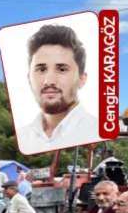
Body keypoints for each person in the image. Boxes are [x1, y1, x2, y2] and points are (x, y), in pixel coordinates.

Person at [17, 24, 98, 155]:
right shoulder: (23, 136)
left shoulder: (95, 130)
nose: (49, 81)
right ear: (29, 79)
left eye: (61, 69)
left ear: (82, 79)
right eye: (41, 69)